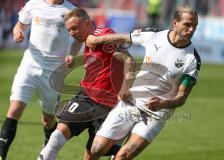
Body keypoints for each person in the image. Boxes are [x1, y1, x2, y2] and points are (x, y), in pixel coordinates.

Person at [86, 5, 201, 159]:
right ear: (175, 23)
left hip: (156, 114)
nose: (191, 29)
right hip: (131, 102)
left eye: (195, 25)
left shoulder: (192, 58)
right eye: (187, 24)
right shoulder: (153, 35)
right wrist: (96, 39)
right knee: (96, 149)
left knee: (123, 157)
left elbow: (182, 97)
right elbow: (124, 37)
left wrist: (163, 104)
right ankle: (116, 146)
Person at [38, 8, 135, 160]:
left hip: (108, 106)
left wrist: (125, 88)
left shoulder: (101, 35)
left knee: (91, 155)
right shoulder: (87, 42)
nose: (72, 33)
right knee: (56, 136)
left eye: (75, 28)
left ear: (87, 23)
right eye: (69, 30)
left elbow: (129, 60)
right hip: (86, 97)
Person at [0, 0, 81, 160]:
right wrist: (18, 32)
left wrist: (72, 54)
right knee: (15, 108)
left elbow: (78, 38)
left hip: (54, 72)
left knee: (48, 119)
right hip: (30, 64)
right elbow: (20, 25)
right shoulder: (33, 4)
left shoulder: (72, 10)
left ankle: (46, 150)